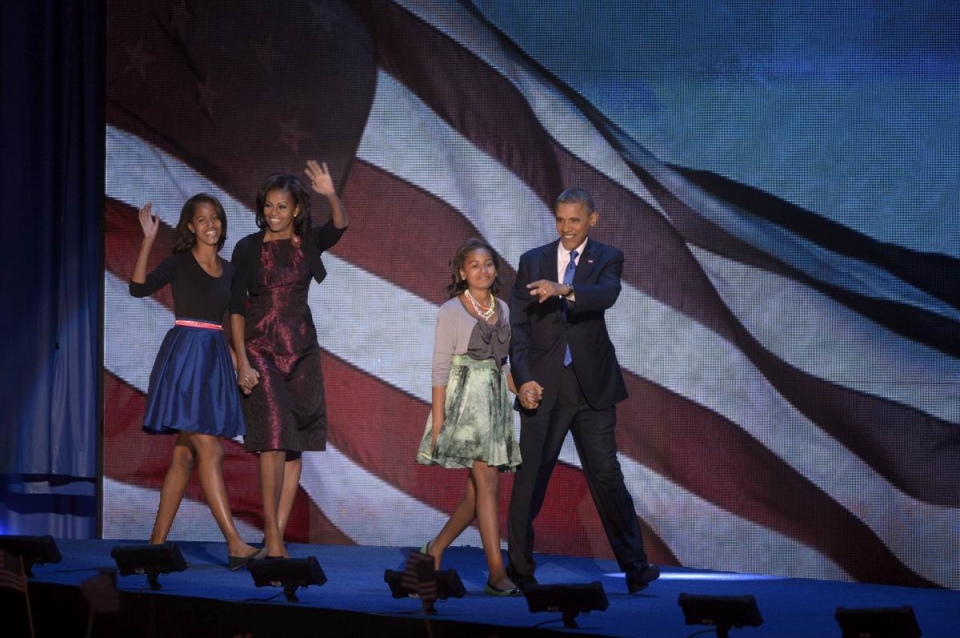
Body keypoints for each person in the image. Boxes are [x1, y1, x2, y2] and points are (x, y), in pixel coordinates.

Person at [506, 187, 660, 593]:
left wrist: (565, 290)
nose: (566, 228)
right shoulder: (532, 261)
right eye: (560, 220)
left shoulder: (608, 257)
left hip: (592, 387)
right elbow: (518, 329)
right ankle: (520, 569)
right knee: (531, 477)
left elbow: (606, 294)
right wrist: (523, 378)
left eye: (575, 220)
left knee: (607, 474)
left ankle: (635, 566)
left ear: (592, 219)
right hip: (544, 386)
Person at [130, 194, 265, 570]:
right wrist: (147, 239)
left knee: (185, 454)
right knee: (212, 450)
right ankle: (236, 544)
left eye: (216, 218)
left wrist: (243, 365)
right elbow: (138, 288)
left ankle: (155, 545)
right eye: (202, 219)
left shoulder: (231, 270)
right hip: (185, 360)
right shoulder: (178, 263)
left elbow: (235, 317)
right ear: (190, 226)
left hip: (214, 361)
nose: (210, 224)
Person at [230, 160, 349, 559]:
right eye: (269, 206)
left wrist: (330, 193)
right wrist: (241, 362)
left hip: (301, 352)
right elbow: (234, 308)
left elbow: (339, 227)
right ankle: (275, 541)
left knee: (295, 445)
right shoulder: (247, 248)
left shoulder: (307, 243)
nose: (274, 214)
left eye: (282, 207)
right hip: (260, 349)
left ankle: (273, 537)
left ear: (296, 210)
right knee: (273, 442)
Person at [416, 238, 522, 596]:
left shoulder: (503, 309)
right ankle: (496, 572)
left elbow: (500, 366)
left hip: (494, 407)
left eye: (488, 264)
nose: (483, 270)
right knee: (489, 486)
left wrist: (521, 389)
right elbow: (440, 368)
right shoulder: (451, 310)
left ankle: (434, 549)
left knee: (476, 496)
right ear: (462, 272)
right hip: (465, 407)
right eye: (474, 265)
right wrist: (439, 420)